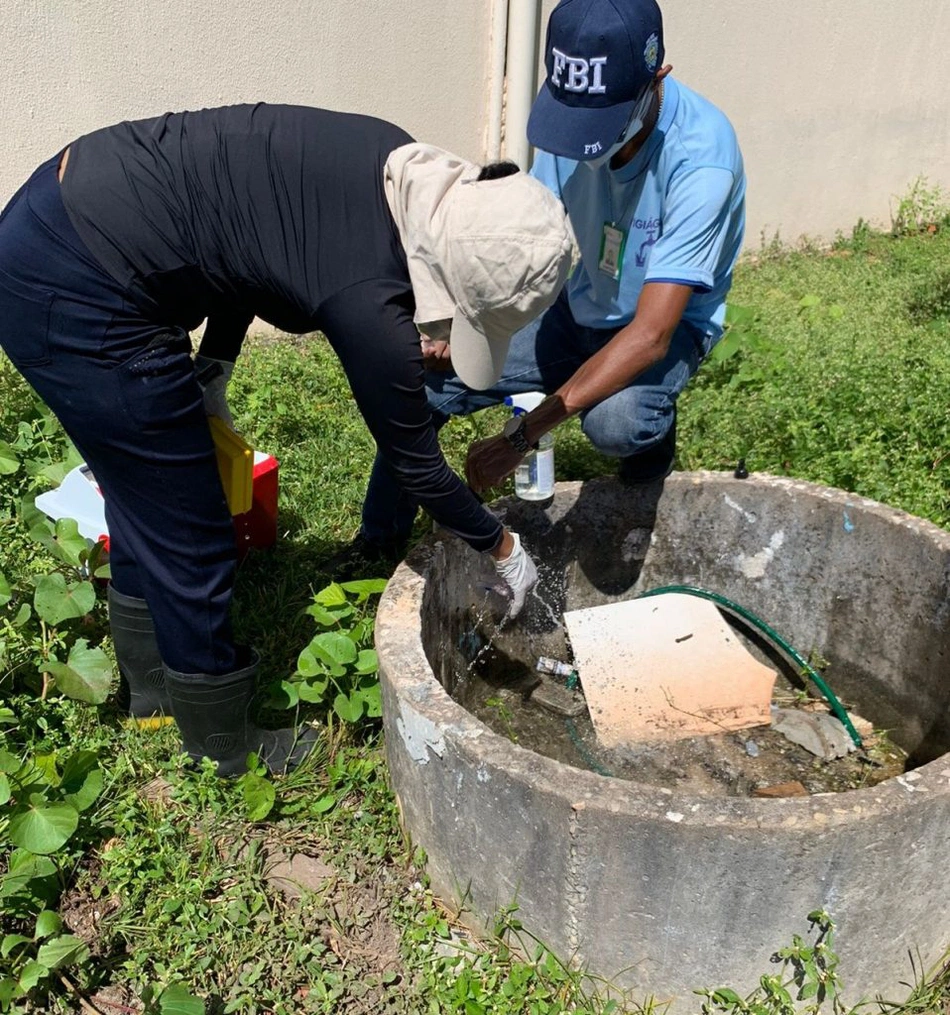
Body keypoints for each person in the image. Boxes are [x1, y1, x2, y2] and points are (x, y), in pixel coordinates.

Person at [0, 103, 574, 776]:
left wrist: (212, 368)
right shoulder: (368, 297)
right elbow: (417, 466)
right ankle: (222, 742)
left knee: (144, 488)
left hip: (65, 213)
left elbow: (241, 241)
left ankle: (152, 693)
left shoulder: (394, 166)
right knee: (191, 524)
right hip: (74, 285)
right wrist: (500, 547)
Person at [358, 0, 746, 546]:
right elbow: (527, 242)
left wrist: (520, 436)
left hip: (664, 326)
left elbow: (651, 334)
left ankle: (647, 459)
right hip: (579, 300)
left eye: (601, 120)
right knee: (423, 384)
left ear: (658, 75)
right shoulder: (572, 124)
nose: (583, 143)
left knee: (617, 423)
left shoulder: (702, 161)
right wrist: (459, 316)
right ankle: (377, 542)